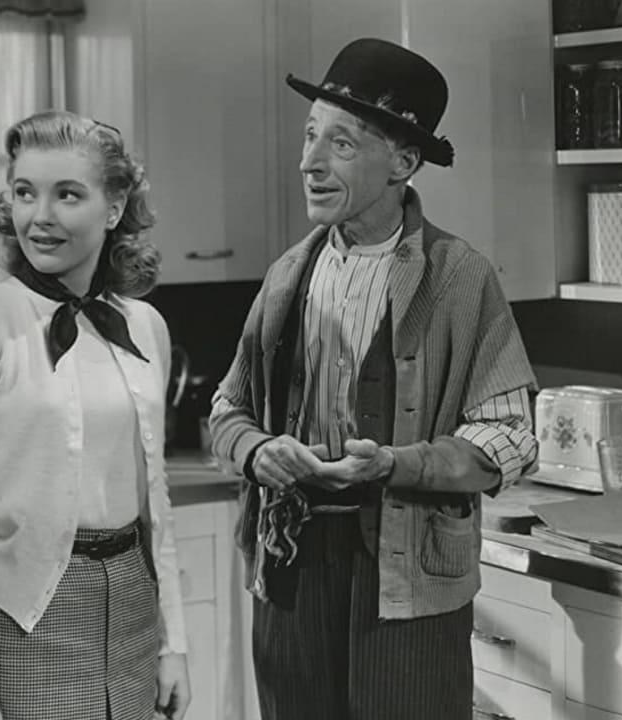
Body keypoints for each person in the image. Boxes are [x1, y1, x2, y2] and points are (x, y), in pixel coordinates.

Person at [208, 38, 539, 720]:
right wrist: (256, 450)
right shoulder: (285, 277)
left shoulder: (458, 277)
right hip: (290, 565)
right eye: (309, 138)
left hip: (406, 578)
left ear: (405, 161)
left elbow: (509, 438)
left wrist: (396, 462)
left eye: (342, 144)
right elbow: (226, 409)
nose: (309, 162)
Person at [0, 110, 191, 720]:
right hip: (25, 616)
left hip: (134, 608)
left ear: (114, 208)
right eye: (24, 192)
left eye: (68, 195)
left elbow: (156, 497)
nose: (41, 217)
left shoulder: (145, 326)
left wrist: (175, 643)